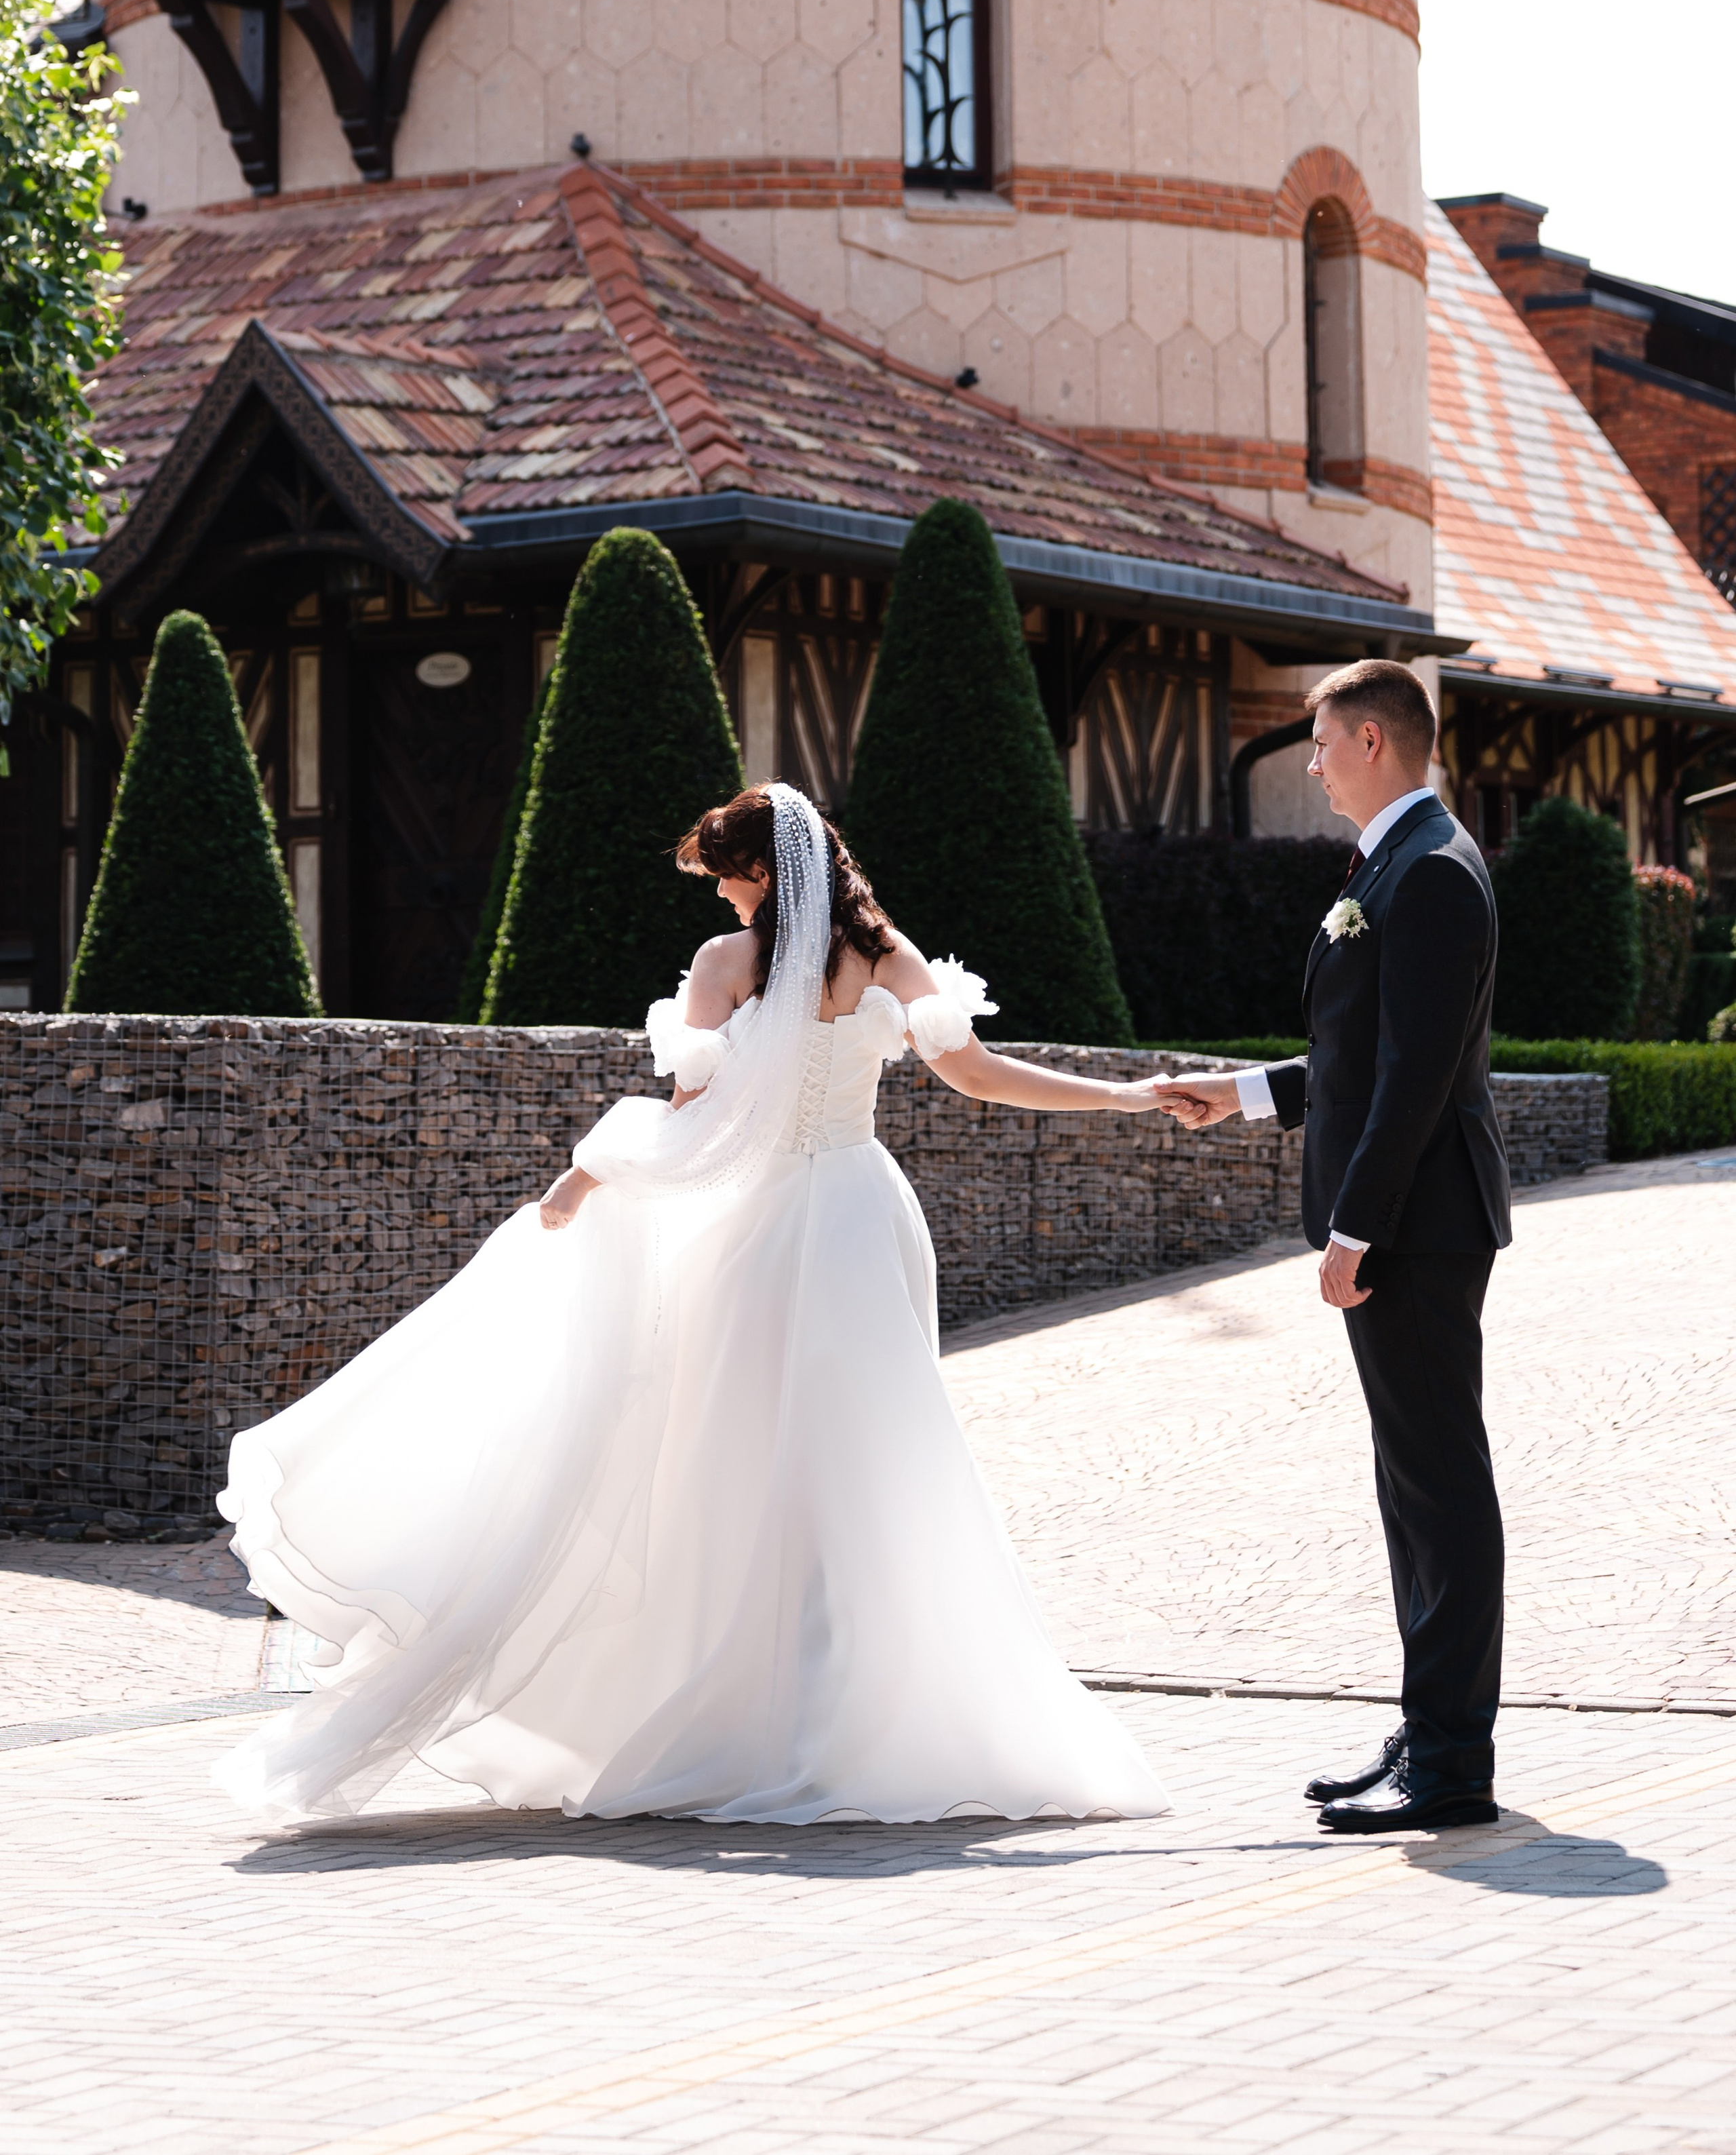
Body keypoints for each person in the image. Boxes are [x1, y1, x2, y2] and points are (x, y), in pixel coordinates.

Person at [215, 783, 1168, 1827]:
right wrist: (1122, 1095)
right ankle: (850, 1708)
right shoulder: (893, 960)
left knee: (739, 1456)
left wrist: (586, 1173)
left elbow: (691, 1117)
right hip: (859, 1212)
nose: (716, 894)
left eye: (721, 873)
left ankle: (761, 1708)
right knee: (868, 1457)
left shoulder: (728, 968)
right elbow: (979, 1077)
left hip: (764, 1230)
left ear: (761, 872)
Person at [1153, 662, 1510, 1833]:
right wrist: (1245, 1092)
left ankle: (1454, 1763)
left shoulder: (1437, 873)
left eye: (1317, 744)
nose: (1308, 765)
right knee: (1411, 1485)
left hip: (1421, 1226)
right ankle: (1431, 1728)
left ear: (1368, 739)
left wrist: (1355, 1230)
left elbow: (1417, 1078)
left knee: (1439, 1485)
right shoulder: (1397, 863)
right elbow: (1362, 1056)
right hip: (1414, 1220)